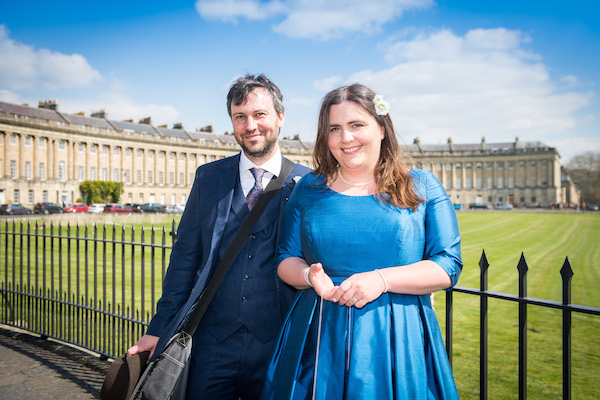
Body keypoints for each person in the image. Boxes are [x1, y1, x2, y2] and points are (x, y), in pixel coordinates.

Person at [261, 84, 462, 399]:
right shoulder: (307, 188)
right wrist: (308, 276)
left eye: (357, 125)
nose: (346, 137)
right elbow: (285, 259)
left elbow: (448, 265)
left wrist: (382, 279)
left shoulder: (421, 186)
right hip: (318, 331)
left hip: (398, 333)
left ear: (381, 129)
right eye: (335, 128)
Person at [127, 74, 311, 400]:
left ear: (280, 118)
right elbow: (184, 261)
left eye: (259, 114)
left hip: (278, 342)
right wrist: (158, 329)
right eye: (240, 117)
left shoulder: (308, 184)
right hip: (211, 343)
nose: (250, 125)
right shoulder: (209, 178)